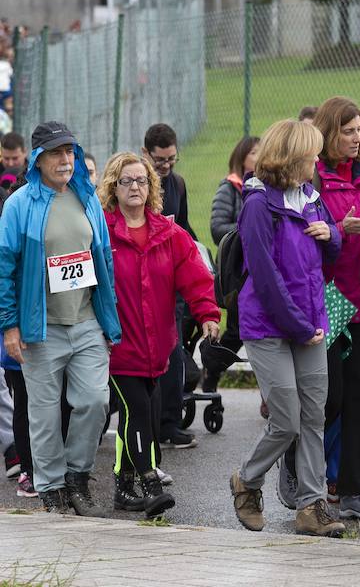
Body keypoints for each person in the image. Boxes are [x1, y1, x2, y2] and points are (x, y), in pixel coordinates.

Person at [228, 119, 346, 537]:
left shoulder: (311, 196)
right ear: (293, 157)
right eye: (312, 154)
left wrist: (330, 233)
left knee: (314, 416)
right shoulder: (259, 205)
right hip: (269, 327)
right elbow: (265, 277)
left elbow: (332, 248)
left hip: (311, 322)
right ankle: (247, 480)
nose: (318, 160)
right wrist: (299, 327)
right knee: (288, 421)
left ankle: (311, 508)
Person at [0, 121, 121, 513]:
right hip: (41, 328)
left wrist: (108, 319)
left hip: (86, 320)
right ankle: (51, 488)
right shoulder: (20, 204)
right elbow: (4, 267)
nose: (66, 159)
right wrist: (10, 325)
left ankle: (77, 477)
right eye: (56, 153)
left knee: (94, 401)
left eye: (70, 151)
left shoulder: (87, 198)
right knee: (44, 412)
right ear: (38, 159)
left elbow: (103, 260)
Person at [100, 152, 220, 517]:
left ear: (152, 187)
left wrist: (208, 315)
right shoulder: (102, 232)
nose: (134, 187)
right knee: (136, 411)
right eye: (126, 181)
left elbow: (196, 279)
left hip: (159, 347)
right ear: (113, 187)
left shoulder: (170, 234)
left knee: (144, 418)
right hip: (118, 346)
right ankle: (150, 483)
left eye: (141, 180)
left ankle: (123, 488)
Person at [313, 97, 360, 520]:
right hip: (325, 301)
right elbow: (304, 238)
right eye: (347, 131)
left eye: (359, 130)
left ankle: (356, 490)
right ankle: (302, 472)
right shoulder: (314, 177)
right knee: (329, 398)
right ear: (328, 133)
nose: (357, 139)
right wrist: (340, 230)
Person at [142, 123, 198, 451]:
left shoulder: (177, 184)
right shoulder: (137, 184)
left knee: (173, 351)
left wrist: (197, 255)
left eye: (171, 159)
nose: (165, 166)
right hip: (144, 280)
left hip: (172, 279)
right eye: (159, 160)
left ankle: (170, 422)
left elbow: (185, 226)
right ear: (146, 152)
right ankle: (145, 421)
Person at [207, 136, 259, 395]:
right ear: (241, 158)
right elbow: (217, 228)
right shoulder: (229, 188)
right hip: (236, 274)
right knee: (237, 332)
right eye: (253, 153)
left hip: (257, 271)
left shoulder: (264, 187)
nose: (259, 157)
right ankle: (211, 368)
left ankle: (212, 369)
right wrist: (248, 227)